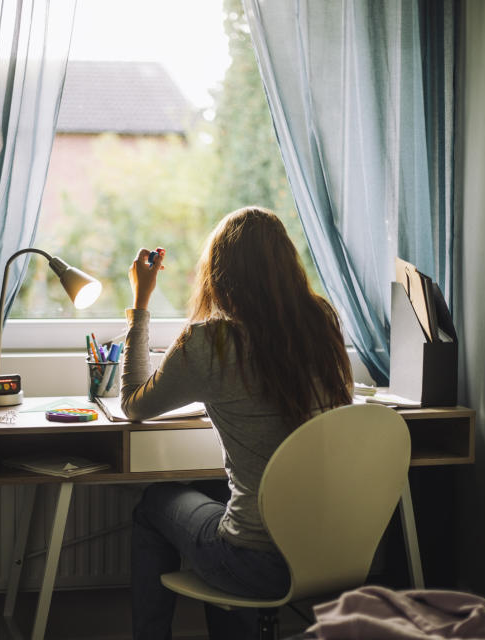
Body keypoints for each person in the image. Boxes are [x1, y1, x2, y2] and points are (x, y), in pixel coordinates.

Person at [120, 206, 354, 640]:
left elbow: (133, 404)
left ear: (219, 273)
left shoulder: (213, 342)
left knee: (154, 502)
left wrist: (140, 303)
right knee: (213, 493)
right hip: (331, 552)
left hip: (258, 563)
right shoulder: (321, 322)